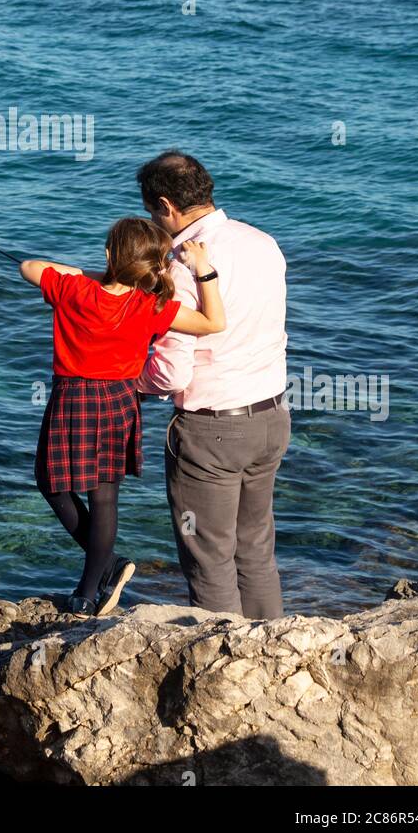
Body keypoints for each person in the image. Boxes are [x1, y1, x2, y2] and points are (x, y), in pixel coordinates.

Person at [20, 215, 225, 618]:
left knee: (51, 484)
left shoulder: (73, 288)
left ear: (110, 255)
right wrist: (205, 270)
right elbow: (213, 322)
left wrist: (98, 275)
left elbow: (28, 266)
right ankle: (99, 574)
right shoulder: (152, 306)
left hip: (71, 398)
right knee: (104, 495)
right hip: (119, 399)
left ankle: (94, 582)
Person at [136, 151, 289, 619]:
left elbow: (173, 372)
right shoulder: (263, 242)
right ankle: (272, 651)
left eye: (151, 213)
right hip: (271, 417)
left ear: (165, 205)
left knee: (209, 560)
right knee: (256, 550)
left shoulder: (181, 269)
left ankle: (225, 668)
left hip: (213, 432)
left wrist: (131, 378)